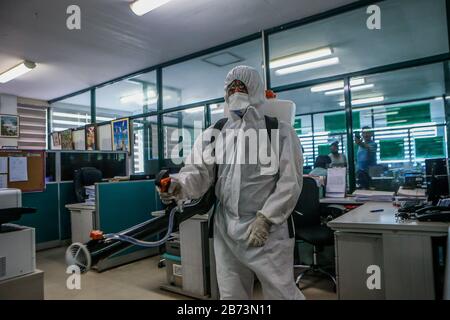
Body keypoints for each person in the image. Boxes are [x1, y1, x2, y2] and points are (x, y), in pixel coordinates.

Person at [157, 66, 305, 300]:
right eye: (231, 87)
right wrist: (177, 186)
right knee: (231, 294)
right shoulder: (214, 133)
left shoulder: (279, 131)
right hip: (226, 229)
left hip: (267, 230)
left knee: (281, 293)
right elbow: (197, 172)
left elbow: (291, 182)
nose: (236, 91)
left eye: (242, 86)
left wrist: (266, 218)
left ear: (255, 89)